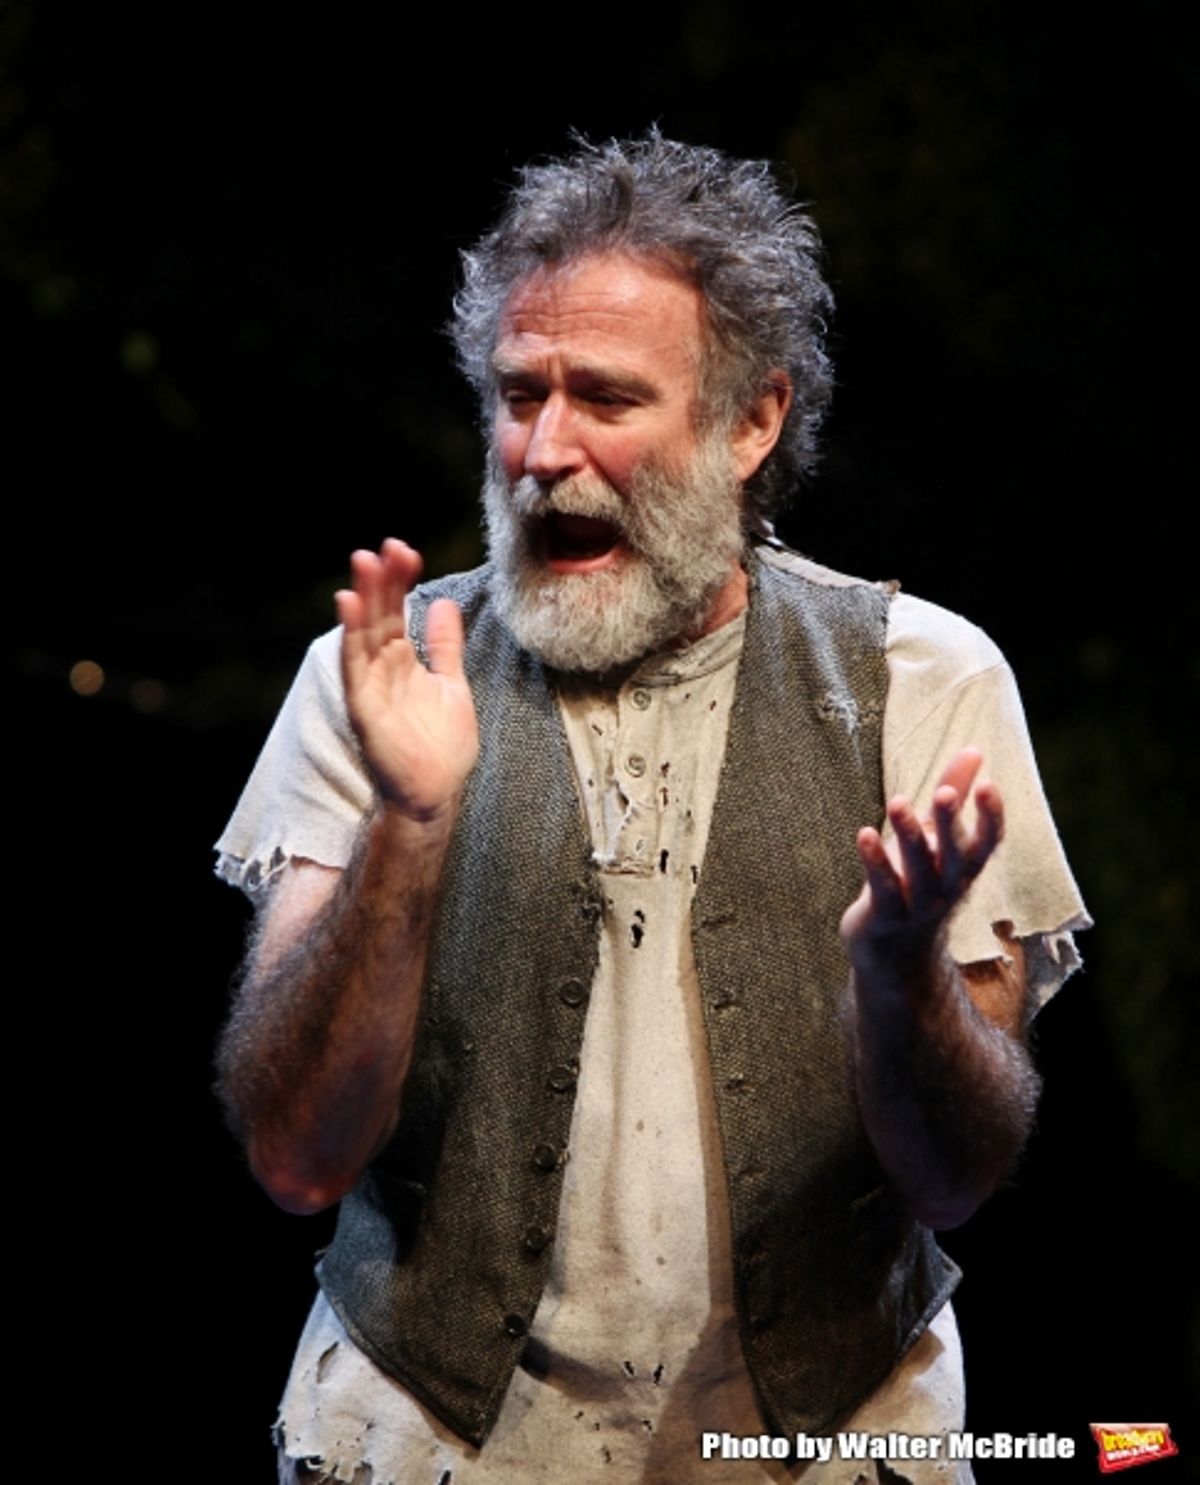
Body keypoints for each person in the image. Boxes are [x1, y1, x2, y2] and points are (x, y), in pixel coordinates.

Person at [215, 133, 1089, 1485]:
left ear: (752, 423)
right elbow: (294, 1156)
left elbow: (954, 1181)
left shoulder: (924, 680)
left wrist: (899, 970)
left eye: (606, 397)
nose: (543, 449)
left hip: (825, 1445)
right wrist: (406, 826)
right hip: (440, 1442)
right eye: (516, 394)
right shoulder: (375, 677)